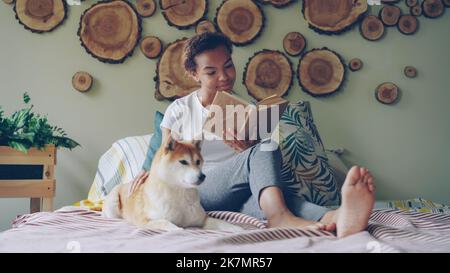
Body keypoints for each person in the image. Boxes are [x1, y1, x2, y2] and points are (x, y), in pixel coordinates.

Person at [130, 32, 375, 238]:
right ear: (194, 74)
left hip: (239, 192)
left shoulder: (246, 107)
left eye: (228, 66)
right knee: (265, 153)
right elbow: (165, 156)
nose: (224, 77)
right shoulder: (180, 110)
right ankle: (279, 217)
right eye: (211, 72)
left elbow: (263, 163)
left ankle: (337, 218)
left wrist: (248, 147)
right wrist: (146, 173)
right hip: (198, 190)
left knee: (274, 191)